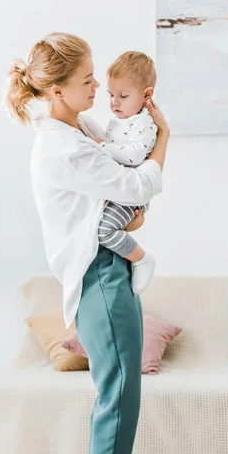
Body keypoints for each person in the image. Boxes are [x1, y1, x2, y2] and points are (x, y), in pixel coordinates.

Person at [3, 32, 171, 454]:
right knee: (118, 396)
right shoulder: (64, 146)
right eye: (85, 81)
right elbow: (140, 184)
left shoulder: (78, 125)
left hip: (110, 267)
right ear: (55, 91)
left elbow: (124, 169)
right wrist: (164, 133)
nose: (97, 87)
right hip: (99, 273)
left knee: (118, 395)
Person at [93, 50, 159, 296]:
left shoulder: (143, 123)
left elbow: (133, 156)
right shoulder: (118, 121)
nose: (114, 102)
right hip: (117, 189)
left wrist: (100, 146)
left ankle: (141, 259)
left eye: (122, 95)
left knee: (104, 231)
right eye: (111, 95)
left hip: (131, 194)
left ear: (147, 94)